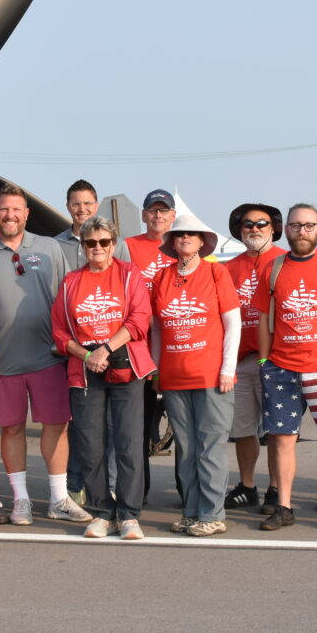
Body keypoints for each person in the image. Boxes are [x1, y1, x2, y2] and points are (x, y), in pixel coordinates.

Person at [0, 185, 86, 524]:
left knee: (56, 426)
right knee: (12, 429)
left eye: (16, 209)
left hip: (49, 358)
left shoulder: (49, 249)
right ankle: (21, 500)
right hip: (3, 364)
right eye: (3, 209)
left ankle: (59, 499)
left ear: (26, 214)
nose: (10, 215)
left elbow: (66, 299)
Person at [252, 204, 317, 532]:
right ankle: (284, 506)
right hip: (282, 370)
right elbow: (264, 318)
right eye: (297, 226)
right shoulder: (274, 268)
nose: (302, 232)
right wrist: (264, 361)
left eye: (309, 226)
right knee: (282, 440)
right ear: (287, 229)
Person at [52, 216, 156, 541]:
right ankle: (101, 512)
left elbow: (141, 317)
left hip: (126, 366)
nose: (97, 248)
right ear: (82, 246)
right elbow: (58, 331)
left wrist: (106, 348)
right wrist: (87, 355)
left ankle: (128, 515)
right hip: (85, 371)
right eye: (90, 243)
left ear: (114, 242)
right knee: (89, 444)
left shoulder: (129, 274)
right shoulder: (71, 281)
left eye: (104, 242)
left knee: (127, 442)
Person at [151, 211, 240, 536]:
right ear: (172, 242)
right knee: (186, 448)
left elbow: (233, 323)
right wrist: (157, 366)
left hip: (211, 376)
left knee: (211, 445)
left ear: (202, 241)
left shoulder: (217, 274)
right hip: (174, 377)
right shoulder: (162, 277)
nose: (184, 238)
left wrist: (228, 368)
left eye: (191, 234)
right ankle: (191, 512)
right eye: (179, 234)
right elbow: (158, 328)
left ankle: (212, 514)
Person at [220, 203, 286, 511]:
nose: (255, 229)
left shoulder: (286, 262)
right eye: (248, 224)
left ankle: (276, 488)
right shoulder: (227, 268)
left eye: (262, 223)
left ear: (273, 228)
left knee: (277, 428)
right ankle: (247, 485)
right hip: (242, 361)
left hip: (277, 360)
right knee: (244, 429)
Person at [124, 188, 177, 463]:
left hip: (175, 349)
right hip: (138, 350)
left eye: (164, 210)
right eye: (153, 210)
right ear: (144, 215)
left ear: (173, 216)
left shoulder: (184, 244)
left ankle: (187, 491)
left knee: (181, 426)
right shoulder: (129, 246)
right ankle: (138, 491)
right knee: (139, 425)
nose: (158, 215)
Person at [55, 179, 131, 269]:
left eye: (87, 203)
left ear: (96, 206)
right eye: (76, 204)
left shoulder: (117, 245)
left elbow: (127, 278)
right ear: (68, 207)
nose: (82, 209)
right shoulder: (56, 245)